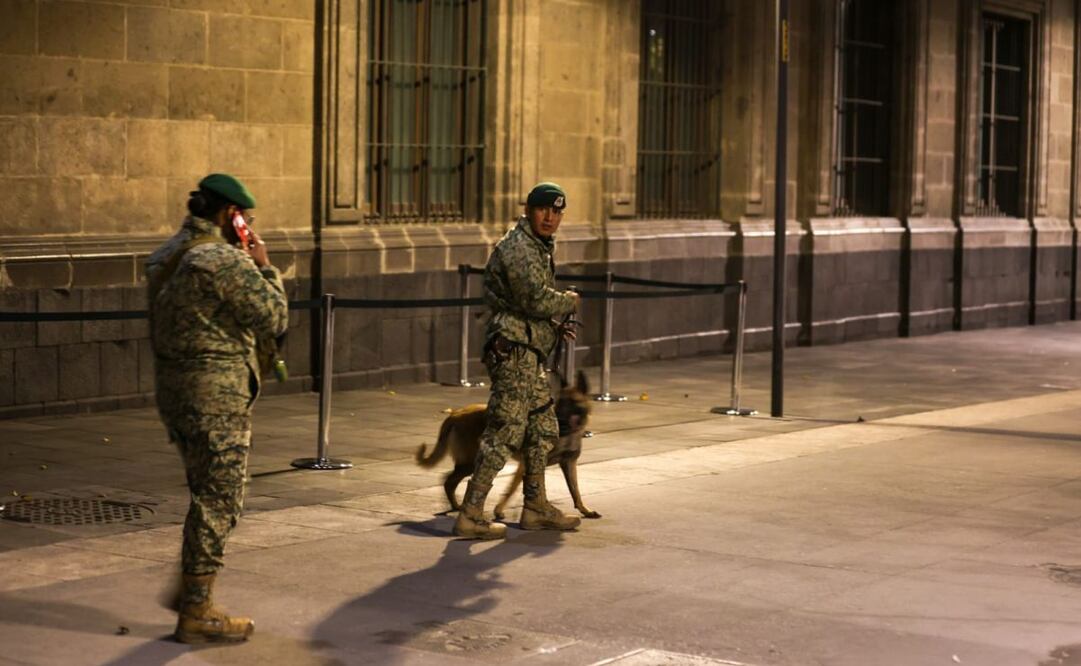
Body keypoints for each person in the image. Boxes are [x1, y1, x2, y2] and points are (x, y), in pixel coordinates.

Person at [146, 173, 289, 643]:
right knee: (220, 499)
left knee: (204, 491)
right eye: (246, 217)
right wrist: (264, 266)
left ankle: (191, 582)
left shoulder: (168, 254)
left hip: (176, 393)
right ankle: (197, 610)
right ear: (232, 215)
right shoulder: (223, 259)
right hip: (217, 398)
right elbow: (274, 317)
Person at [454, 182, 583, 539]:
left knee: (542, 429)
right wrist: (568, 301)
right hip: (512, 353)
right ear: (528, 209)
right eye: (543, 209)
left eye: (557, 211)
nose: (550, 217)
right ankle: (471, 513)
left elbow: (523, 307)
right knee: (505, 431)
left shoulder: (538, 246)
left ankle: (535, 507)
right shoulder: (519, 247)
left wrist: (552, 327)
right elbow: (533, 299)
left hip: (528, 351)